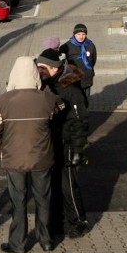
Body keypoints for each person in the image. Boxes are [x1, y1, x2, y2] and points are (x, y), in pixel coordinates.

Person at [0, 56, 62, 253]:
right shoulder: (47, 98)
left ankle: (17, 243)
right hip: (42, 157)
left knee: (17, 201)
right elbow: (61, 111)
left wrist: (3, 148)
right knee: (43, 199)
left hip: (14, 159)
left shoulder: (2, 100)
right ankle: (45, 240)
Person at [35, 49, 90, 240]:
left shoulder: (70, 90)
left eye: (42, 68)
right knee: (54, 184)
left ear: (54, 68)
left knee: (68, 185)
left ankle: (78, 221)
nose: (38, 70)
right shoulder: (46, 85)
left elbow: (80, 121)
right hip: (51, 143)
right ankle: (57, 221)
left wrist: (77, 150)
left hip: (67, 144)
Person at [61, 23, 97, 105]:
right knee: (76, 100)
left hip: (87, 78)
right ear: (74, 34)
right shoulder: (67, 46)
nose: (81, 36)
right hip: (74, 79)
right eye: (78, 34)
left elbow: (93, 60)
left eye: (83, 34)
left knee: (86, 100)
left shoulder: (90, 45)